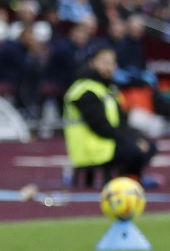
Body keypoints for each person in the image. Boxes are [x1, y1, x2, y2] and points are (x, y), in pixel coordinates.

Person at [63, 44, 160, 188]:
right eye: (104, 62)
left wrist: (136, 138)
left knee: (148, 145)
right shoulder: (84, 90)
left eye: (112, 62)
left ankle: (131, 179)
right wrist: (132, 141)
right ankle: (131, 181)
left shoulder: (109, 88)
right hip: (90, 147)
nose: (109, 67)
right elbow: (101, 128)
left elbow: (121, 121)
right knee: (133, 149)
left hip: (105, 142)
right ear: (92, 63)